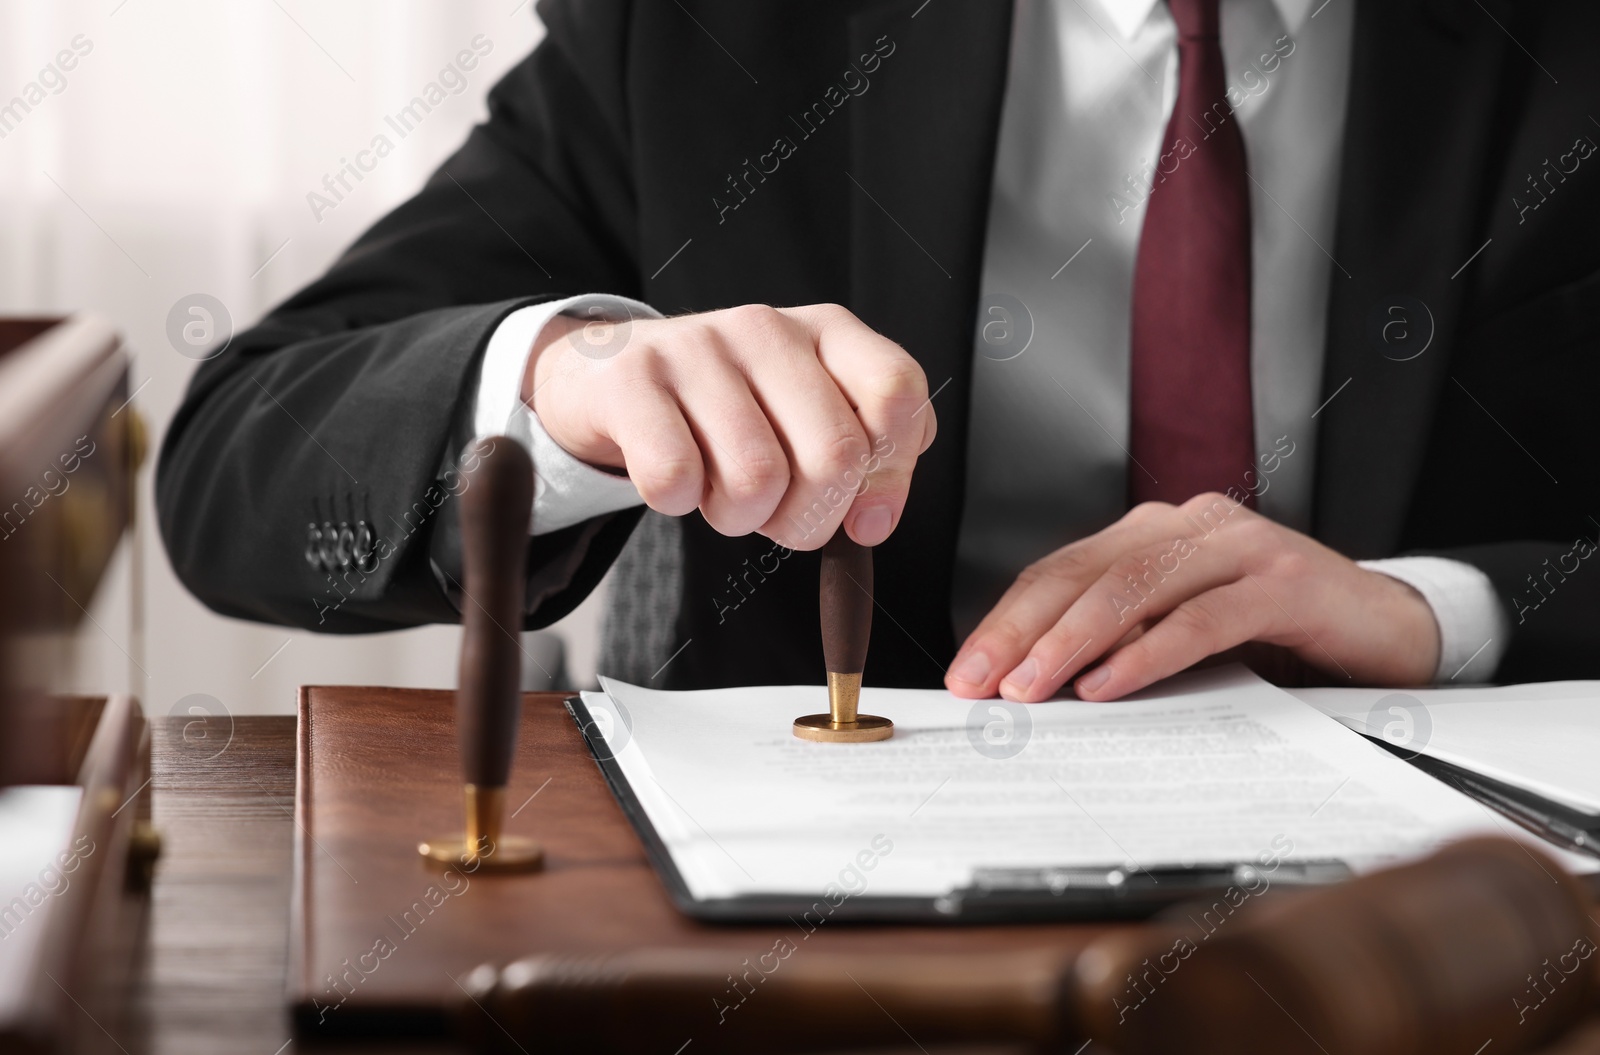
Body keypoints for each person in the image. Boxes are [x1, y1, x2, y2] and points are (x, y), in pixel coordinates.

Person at [157, 0, 1600, 699]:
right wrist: (559, 384)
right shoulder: (712, 33)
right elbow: (238, 468)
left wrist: (1437, 612)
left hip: (1454, 929)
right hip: (835, 915)